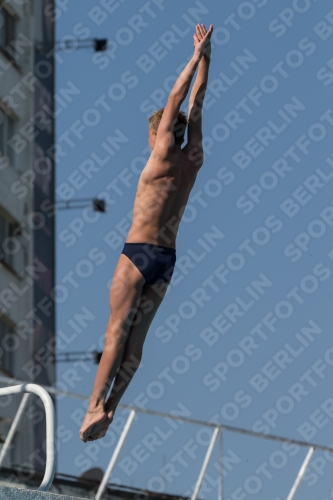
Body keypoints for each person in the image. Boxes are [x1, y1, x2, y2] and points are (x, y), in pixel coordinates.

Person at [79, 23, 213, 442]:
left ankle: (92, 408)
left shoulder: (160, 157)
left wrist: (194, 57)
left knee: (115, 333)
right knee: (137, 343)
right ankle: (112, 408)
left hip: (137, 253)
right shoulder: (193, 160)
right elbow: (198, 103)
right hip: (167, 261)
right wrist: (208, 56)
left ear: (157, 135)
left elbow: (178, 98)